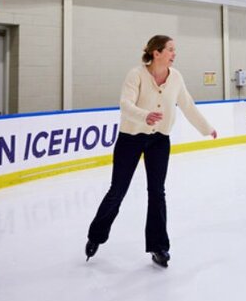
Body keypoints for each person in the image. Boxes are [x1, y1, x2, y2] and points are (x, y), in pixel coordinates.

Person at [85, 35, 217, 267]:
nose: (174, 54)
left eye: (174, 50)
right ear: (156, 53)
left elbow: (187, 104)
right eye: (170, 50)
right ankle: (96, 236)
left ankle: (159, 247)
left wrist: (206, 128)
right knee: (118, 190)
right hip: (131, 138)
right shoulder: (136, 74)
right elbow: (125, 104)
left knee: (157, 192)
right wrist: (144, 115)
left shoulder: (176, 78)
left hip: (159, 140)